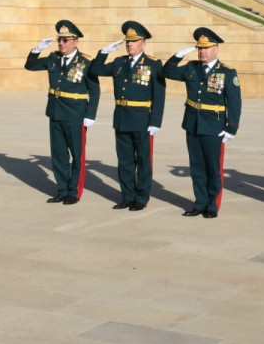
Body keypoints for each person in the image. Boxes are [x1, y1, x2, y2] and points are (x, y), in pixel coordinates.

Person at [163, 27, 242, 218]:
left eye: (206, 48)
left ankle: (212, 204)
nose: (202, 51)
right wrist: (178, 56)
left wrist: (231, 128)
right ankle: (199, 202)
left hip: (214, 126)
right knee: (196, 167)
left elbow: (234, 102)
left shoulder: (227, 72)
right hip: (192, 123)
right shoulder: (191, 67)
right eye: (199, 48)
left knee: (212, 168)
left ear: (216, 49)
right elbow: (166, 72)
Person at [89, 21, 166, 209]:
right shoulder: (118, 62)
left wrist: (155, 120)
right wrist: (104, 52)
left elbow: (159, 93)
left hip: (142, 119)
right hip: (122, 118)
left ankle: (141, 198)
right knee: (125, 161)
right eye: (127, 42)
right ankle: (127, 196)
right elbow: (95, 70)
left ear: (143, 43)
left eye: (134, 41)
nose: (129, 44)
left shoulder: (153, 64)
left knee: (143, 162)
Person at [24, 19, 101, 204]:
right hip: (56, 112)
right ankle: (62, 189)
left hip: (75, 115)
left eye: (66, 40)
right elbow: (30, 66)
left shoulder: (86, 62)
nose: (61, 43)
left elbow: (95, 90)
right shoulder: (53, 58)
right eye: (60, 40)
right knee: (58, 154)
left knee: (77, 155)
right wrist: (36, 50)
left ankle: (74, 192)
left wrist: (90, 115)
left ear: (76, 41)